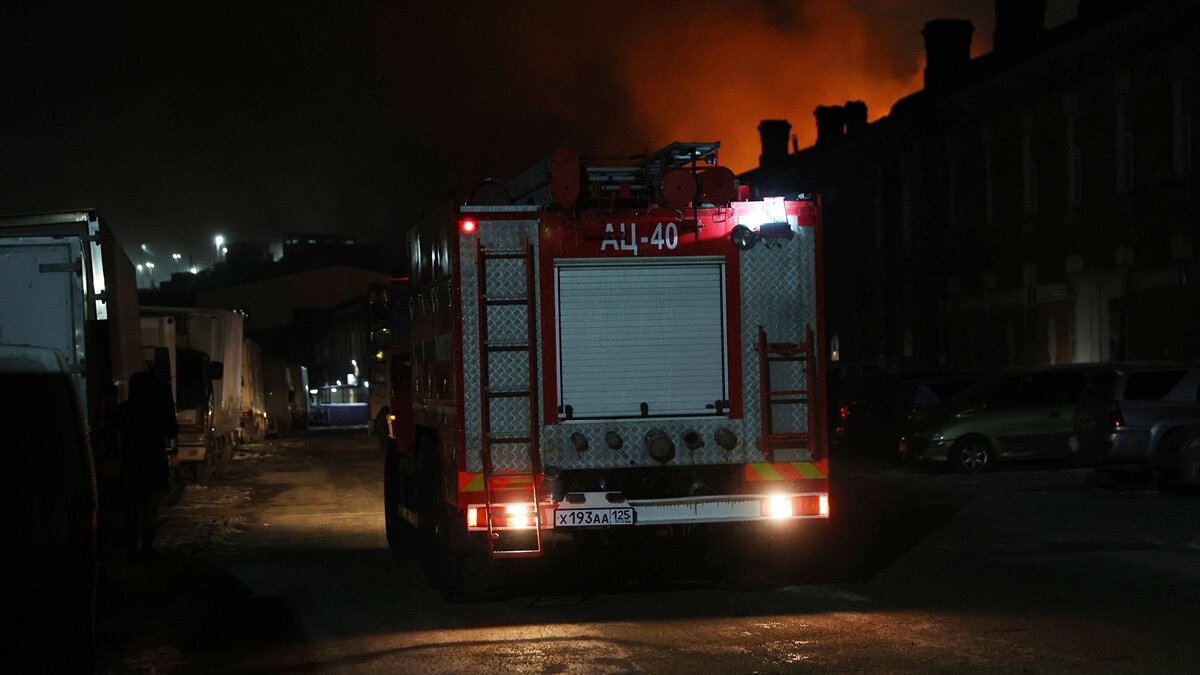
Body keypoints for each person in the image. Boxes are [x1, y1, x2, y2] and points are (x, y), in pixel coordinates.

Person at [116, 371, 178, 562]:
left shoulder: (124, 409)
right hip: (153, 466)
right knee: (150, 512)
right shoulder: (158, 409)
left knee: (131, 513)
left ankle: (131, 551)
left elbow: (114, 428)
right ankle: (147, 549)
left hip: (131, 466)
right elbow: (172, 431)